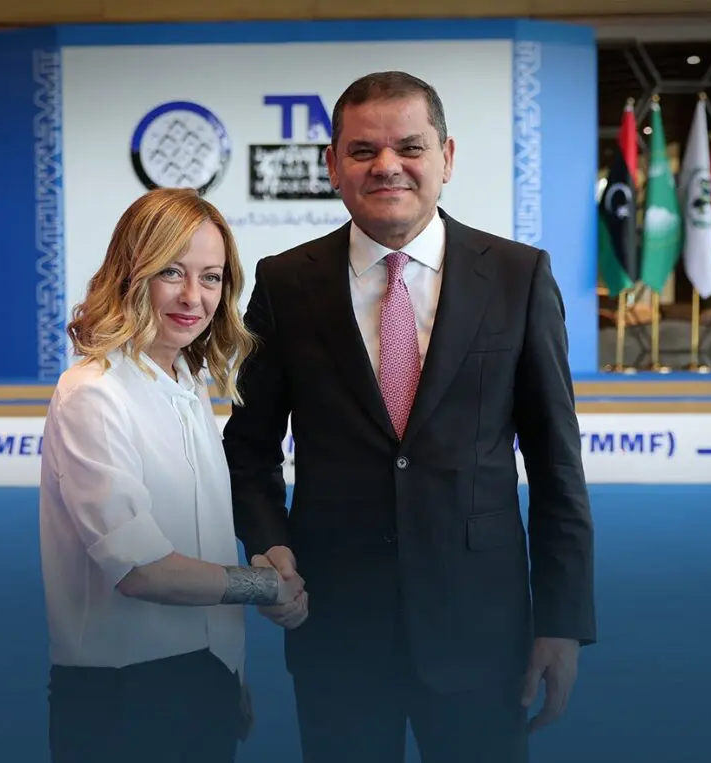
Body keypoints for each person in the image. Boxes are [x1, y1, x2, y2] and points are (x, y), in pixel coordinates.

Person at [222, 71, 596, 763]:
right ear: (333, 166)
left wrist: (562, 620)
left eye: (410, 147)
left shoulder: (518, 276)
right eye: (363, 150)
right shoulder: (285, 282)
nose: (386, 165)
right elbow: (248, 449)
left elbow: (556, 466)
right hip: (335, 625)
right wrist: (269, 548)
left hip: (483, 628)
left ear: (446, 158)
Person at [37, 188, 304, 763]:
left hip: (201, 683)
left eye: (211, 278)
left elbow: (202, 543)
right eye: (171, 272)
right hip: (122, 697)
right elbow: (141, 571)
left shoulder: (186, 381)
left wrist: (228, 672)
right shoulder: (93, 394)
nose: (193, 297)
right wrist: (264, 586)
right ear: (130, 274)